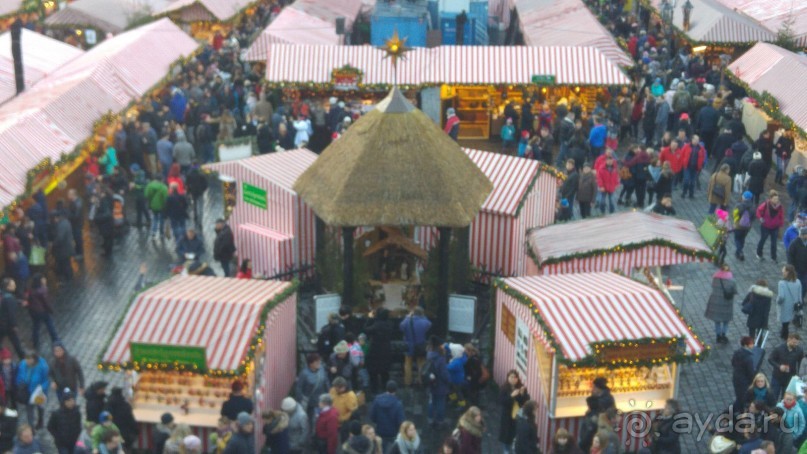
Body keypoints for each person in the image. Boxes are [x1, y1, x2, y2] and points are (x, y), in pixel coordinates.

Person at [25, 274, 59, 351]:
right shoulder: (43, 289)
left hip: (34, 312)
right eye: (43, 279)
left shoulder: (31, 289)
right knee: (50, 325)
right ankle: (55, 340)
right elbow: (46, 302)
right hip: (43, 311)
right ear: (40, 281)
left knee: (36, 327)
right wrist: (51, 310)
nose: (45, 280)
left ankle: (35, 342)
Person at [499, 370, 530, 453]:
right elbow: (501, 401)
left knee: (516, 435)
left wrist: (522, 394)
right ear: (508, 377)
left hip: (518, 415)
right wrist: (511, 396)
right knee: (507, 435)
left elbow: (525, 401)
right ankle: (506, 450)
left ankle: (515, 450)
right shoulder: (504, 388)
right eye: (511, 377)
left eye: (515, 377)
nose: (513, 379)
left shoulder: (521, 387)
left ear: (517, 378)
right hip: (507, 416)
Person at [16, 350, 49, 429]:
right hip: (27, 392)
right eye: (26, 359)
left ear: (34, 359)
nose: (27, 361)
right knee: (29, 411)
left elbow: (46, 380)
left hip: (39, 393)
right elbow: (19, 376)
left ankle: (40, 421)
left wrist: (42, 388)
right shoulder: (22, 364)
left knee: (40, 407)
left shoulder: (42, 366)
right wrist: (20, 383)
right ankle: (31, 428)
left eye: (29, 359)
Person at [705, 264, 737, 344]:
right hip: (726, 303)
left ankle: (718, 335)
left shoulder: (715, 278)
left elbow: (713, 286)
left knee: (717, 320)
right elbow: (735, 291)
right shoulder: (732, 280)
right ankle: (724, 334)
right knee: (726, 320)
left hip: (715, 301)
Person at [369, 380, 404, 452]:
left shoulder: (377, 400)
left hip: (380, 432)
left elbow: (372, 417)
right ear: (396, 390)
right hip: (392, 434)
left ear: (386, 388)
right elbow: (401, 422)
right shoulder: (398, 404)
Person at [399, 307, 431, 387]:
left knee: (408, 364)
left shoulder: (407, 321)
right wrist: (423, 316)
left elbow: (401, 327)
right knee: (421, 363)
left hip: (409, 345)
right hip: (420, 345)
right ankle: (421, 380)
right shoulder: (424, 321)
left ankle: (408, 381)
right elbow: (429, 324)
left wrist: (408, 316)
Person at [364, 308, 393, 393]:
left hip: (375, 349)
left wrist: (370, 319)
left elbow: (366, 330)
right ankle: (385, 388)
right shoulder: (389, 324)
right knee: (385, 371)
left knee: (373, 372)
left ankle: (374, 389)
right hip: (386, 349)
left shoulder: (376, 325)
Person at [295, 353, 330, 420]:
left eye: (319, 361)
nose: (319, 363)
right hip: (309, 403)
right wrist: (301, 400)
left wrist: (329, 393)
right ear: (311, 364)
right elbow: (299, 388)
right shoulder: (304, 374)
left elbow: (326, 381)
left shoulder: (322, 369)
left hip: (321, 400)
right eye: (316, 362)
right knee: (310, 418)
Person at [425, 336, 450, 429]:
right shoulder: (441, 358)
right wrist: (449, 380)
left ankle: (430, 419)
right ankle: (439, 421)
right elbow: (444, 374)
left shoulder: (429, 355)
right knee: (440, 403)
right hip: (440, 384)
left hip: (431, 383)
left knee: (431, 402)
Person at [769, 334, 804, 400]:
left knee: (786, 398)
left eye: (797, 343)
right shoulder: (779, 348)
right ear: (788, 339)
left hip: (790, 378)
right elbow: (770, 359)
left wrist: (799, 376)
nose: (796, 344)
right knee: (773, 397)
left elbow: (800, 363)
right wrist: (779, 366)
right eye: (794, 342)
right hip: (777, 377)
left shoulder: (799, 350)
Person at [47, 388, 82, 454]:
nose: (72, 402)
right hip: (62, 443)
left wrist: (76, 435)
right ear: (65, 402)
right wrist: (58, 437)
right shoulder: (56, 414)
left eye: (73, 400)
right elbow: (50, 427)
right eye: (69, 401)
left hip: (73, 441)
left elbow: (78, 425)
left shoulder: (77, 412)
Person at [0, 278, 25, 357]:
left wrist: (18, 302)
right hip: (8, 325)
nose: (15, 286)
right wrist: (14, 325)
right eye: (13, 285)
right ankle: (23, 357)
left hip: (1, 324)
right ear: (8, 287)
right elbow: (11, 314)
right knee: (16, 343)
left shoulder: (3, 294)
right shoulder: (9, 298)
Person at [777, 264, 802, 340]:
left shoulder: (781, 283)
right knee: (789, 320)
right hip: (794, 305)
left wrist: (778, 301)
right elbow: (799, 295)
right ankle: (783, 334)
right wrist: (799, 306)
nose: (782, 271)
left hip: (785, 305)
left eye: (783, 270)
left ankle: (784, 336)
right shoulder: (798, 282)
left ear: (787, 272)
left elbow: (781, 297)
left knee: (785, 322)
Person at [732, 337, 756, 410]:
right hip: (744, 381)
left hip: (736, 378)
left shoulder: (737, 352)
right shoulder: (748, 358)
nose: (753, 345)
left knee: (739, 397)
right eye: (751, 344)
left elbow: (733, 363)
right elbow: (750, 372)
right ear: (746, 345)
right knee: (742, 399)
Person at [50, 211, 74, 282]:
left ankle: (68, 279)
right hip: (67, 248)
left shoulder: (61, 225)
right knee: (67, 264)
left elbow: (60, 238)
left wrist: (53, 244)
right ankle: (69, 277)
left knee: (65, 265)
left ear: (55, 218)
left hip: (63, 250)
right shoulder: (66, 222)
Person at [733, 192, 756, 260]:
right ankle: (738, 253)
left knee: (737, 239)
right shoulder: (753, 207)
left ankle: (740, 251)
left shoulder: (739, 205)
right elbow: (754, 217)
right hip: (747, 227)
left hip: (739, 225)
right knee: (742, 239)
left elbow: (734, 214)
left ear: (744, 197)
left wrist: (735, 220)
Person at [144, 175, 168, 240]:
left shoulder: (149, 185)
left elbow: (146, 195)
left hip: (153, 205)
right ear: (161, 179)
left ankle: (153, 232)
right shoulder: (163, 187)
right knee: (162, 219)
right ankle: (161, 233)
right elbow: (166, 198)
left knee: (155, 218)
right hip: (162, 206)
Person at [787, 228, 807, 299]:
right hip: (797, 269)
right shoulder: (794, 243)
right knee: (796, 285)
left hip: (805, 270)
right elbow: (790, 256)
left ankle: (800, 299)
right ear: (802, 235)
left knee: (804, 285)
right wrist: (792, 268)